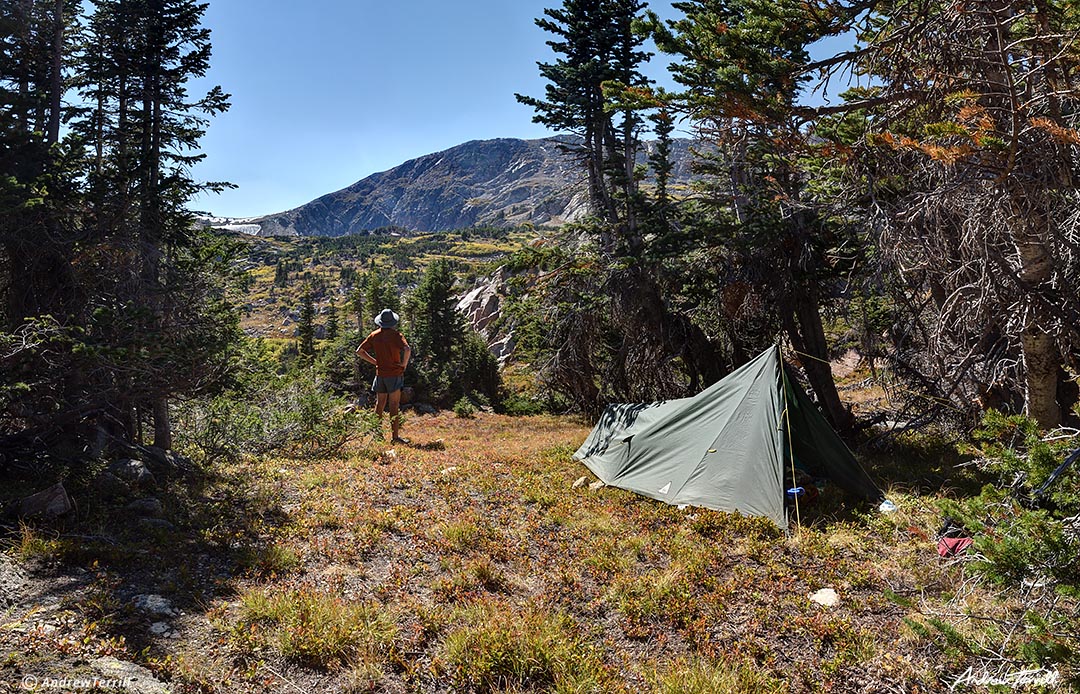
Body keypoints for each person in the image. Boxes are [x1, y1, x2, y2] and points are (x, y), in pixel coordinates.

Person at [357, 308, 412, 444]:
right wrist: (403, 365)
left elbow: (360, 351)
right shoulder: (397, 336)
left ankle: (377, 435)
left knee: (379, 405)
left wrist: (375, 362)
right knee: (394, 406)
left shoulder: (374, 335)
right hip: (394, 374)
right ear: (393, 322)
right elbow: (407, 349)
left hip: (380, 374)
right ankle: (395, 437)